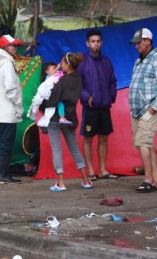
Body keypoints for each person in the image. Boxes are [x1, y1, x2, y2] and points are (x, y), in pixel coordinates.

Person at [128, 28, 157, 193]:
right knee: (145, 144)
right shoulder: (139, 61)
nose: (136, 46)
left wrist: (153, 108)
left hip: (149, 109)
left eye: (139, 42)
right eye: (136, 43)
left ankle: (147, 180)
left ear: (148, 41)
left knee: (143, 142)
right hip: (137, 110)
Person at [42, 52, 93, 192]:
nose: (60, 66)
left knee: (57, 150)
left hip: (54, 119)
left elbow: (52, 100)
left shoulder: (61, 81)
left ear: (67, 65)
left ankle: (61, 183)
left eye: (62, 64)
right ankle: (86, 180)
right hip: (70, 118)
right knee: (74, 148)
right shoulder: (78, 79)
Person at [78, 29, 118, 181]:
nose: (96, 44)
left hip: (104, 106)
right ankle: (91, 171)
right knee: (88, 138)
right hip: (90, 108)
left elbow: (113, 81)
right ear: (87, 43)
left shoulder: (107, 61)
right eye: (93, 41)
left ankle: (102, 170)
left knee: (104, 138)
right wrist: (87, 96)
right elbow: (77, 84)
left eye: (98, 41)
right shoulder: (82, 62)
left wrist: (111, 96)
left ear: (101, 42)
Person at [0, 34, 24, 184]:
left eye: (15, 45)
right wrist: (18, 106)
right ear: (4, 47)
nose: (14, 48)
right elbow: (11, 89)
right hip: (7, 110)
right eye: (12, 45)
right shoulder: (7, 64)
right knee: (5, 143)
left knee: (0, 143)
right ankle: (3, 175)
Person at [27, 62, 72, 133]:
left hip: (53, 97)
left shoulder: (55, 77)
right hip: (50, 98)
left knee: (49, 113)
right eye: (53, 68)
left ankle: (43, 125)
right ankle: (62, 118)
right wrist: (57, 67)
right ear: (47, 72)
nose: (56, 70)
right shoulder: (49, 78)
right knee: (60, 105)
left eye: (56, 68)